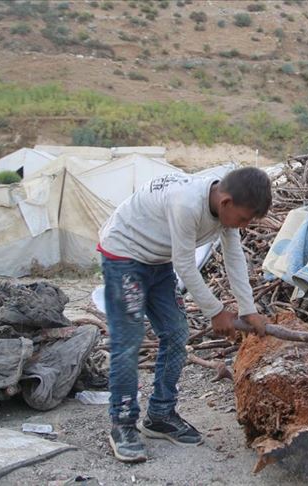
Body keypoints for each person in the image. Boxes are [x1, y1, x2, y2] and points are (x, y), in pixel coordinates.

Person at [97, 167, 271, 462]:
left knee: (177, 332)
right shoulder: (186, 204)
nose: (243, 225)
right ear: (226, 202)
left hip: (157, 260)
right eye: (243, 219)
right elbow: (186, 265)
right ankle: (123, 423)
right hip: (124, 255)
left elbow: (234, 257)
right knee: (128, 340)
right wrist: (216, 312)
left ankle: (160, 415)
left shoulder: (225, 210)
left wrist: (248, 309)